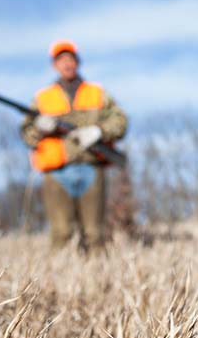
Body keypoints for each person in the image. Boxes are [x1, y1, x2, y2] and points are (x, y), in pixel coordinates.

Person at [21, 40, 127, 250]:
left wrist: (99, 131)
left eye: (70, 59)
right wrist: (40, 127)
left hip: (91, 167)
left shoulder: (97, 93)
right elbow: (27, 134)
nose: (67, 64)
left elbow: (121, 122)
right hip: (56, 172)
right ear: (54, 65)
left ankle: (98, 277)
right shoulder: (43, 98)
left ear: (77, 62)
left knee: (95, 235)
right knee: (61, 234)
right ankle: (57, 280)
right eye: (61, 60)